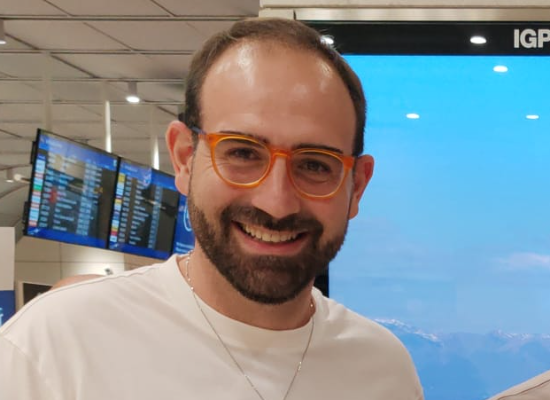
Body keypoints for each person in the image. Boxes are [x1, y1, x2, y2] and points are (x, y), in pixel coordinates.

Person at [0, 18, 423, 399]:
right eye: (242, 152)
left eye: (315, 164)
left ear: (357, 185)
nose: (277, 202)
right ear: (185, 158)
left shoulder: (384, 370)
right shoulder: (55, 346)